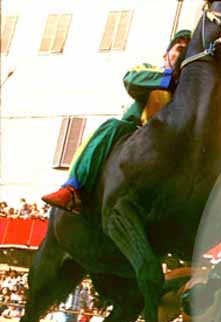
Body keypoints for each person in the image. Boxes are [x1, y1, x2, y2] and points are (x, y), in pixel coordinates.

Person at [41, 30, 193, 214]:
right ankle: (72, 189)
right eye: (179, 48)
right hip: (134, 132)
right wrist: (171, 79)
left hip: (170, 142)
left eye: (187, 50)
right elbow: (131, 78)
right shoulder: (152, 72)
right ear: (165, 55)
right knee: (112, 126)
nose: (182, 53)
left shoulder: (190, 88)